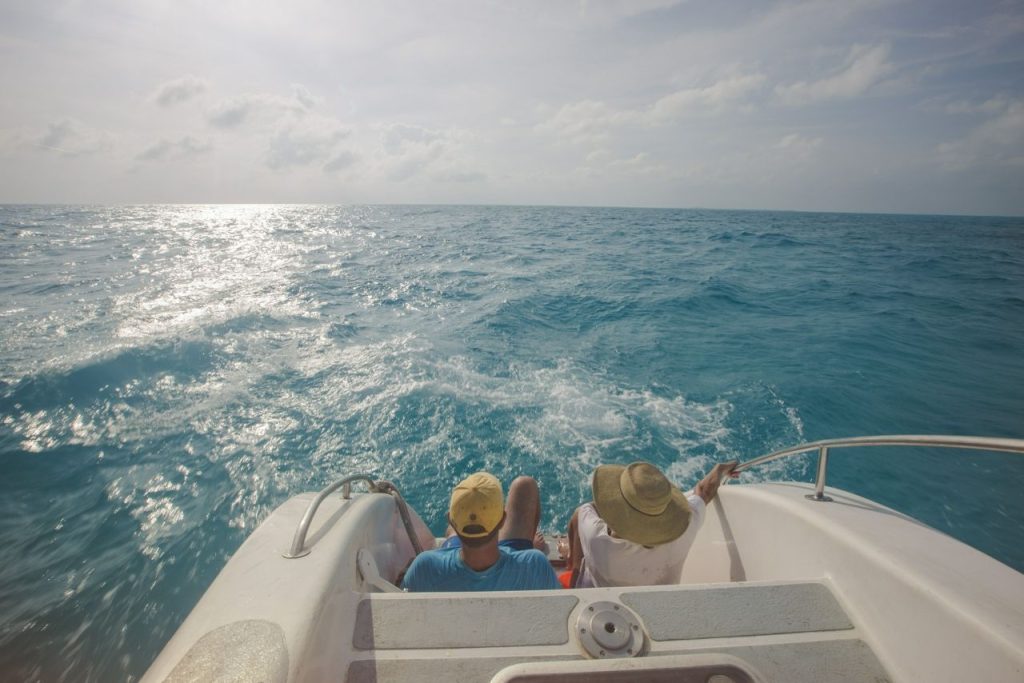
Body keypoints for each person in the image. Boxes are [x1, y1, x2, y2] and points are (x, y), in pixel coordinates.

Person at [565, 460, 738, 588]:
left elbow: (582, 512)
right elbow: (704, 491)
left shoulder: (598, 539)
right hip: (656, 608)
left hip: (604, 609)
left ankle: (571, 569)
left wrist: (720, 468)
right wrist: (719, 470)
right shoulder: (685, 530)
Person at [402, 472, 562, 592]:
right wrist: (531, 550)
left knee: (451, 534)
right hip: (513, 563)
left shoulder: (424, 568)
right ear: (503, 520)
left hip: (449, 566)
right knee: (525, 485)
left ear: (450, 519)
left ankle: (455, 530)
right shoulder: (535, 565)